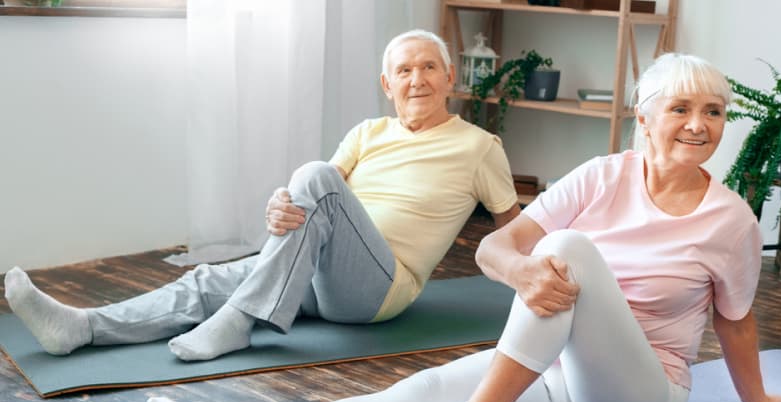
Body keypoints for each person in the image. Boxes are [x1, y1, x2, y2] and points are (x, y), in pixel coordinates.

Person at [143, 52, 781, 402]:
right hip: (554, 375)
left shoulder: (729, 220)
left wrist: (755, 400)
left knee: (566, 251)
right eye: (680, 108)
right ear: (644, 116)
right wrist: (522, 275)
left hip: (639, 400)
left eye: (714, 112)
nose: (699, 125)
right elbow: (497, 248)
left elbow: (736, 318)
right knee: (417, 395)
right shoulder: (602, 175)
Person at [3, 29, 520, 362]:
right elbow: (317, 197)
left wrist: (534, 286)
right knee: (208, 280)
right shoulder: (368, 132)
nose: (417, 79)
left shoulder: (478, 147)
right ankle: (82, 328)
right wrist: (281, 206)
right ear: (387, 84)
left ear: (450, 78)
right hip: (320, 268)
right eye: (404, 70)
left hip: (380, 290)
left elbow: (515, 229)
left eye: (429, 67)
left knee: (314, 175)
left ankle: (240, 319)